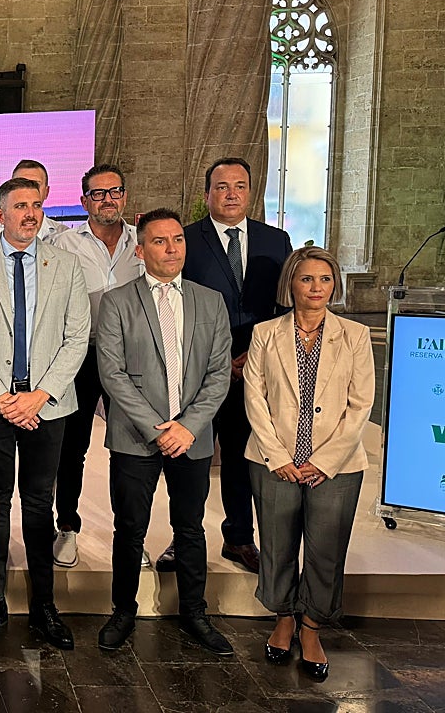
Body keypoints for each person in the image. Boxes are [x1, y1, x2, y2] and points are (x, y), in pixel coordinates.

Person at [0, 177, 90, 651]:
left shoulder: (66, 265)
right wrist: (2, 397)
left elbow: (76, 338)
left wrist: (39, 395)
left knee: (38, 502)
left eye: (36, 205)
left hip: (47, 406)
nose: (30, 213)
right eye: (20, 206)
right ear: (0, 212)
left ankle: (44, 604)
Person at [95, 209, 233, 655]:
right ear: (140, 250)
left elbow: (219, 375)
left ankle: (195, 613)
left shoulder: (210, 301)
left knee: (190, 528)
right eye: (159, 241)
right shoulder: (117, 302)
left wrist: (188, 427)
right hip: (137, 437)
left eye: (177, 239)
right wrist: (159, 430)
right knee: (129, 528)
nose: (171, 248)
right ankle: (123, 611)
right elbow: (112, 375)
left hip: (191, 439)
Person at [243, 246, 374, 681]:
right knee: (278, 547)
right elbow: (254, 397)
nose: (316, 288)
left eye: (324, 279)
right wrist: (278, 456)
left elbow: (361, 405)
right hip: (273, 459)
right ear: (291, 284)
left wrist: (325, 460)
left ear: (334, 285)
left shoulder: (354, 335)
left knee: (324, 550)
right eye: (306, 279)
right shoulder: (265, 333)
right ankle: (283, 620)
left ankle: (312, 626)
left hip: (335, 466)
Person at [159, 157, 292, 575]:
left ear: (251, 192)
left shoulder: (276, 240)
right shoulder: (187, 240)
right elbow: (175, 302)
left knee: (241, 456)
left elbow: (282, 307)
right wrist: (219, 360)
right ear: (207, 194)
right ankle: (184, 540)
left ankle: (238, 538)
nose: (231, 193)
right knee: (191, 459)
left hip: (256, 366)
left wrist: (253, 355)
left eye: (239, 185)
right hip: (196, 367)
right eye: (221, 186)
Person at [51, 163, 144, 568]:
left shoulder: (143, 244)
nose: (108, 199)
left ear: (124, 195)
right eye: (99, 193)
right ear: (84, 200)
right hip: (81, 355)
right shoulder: (65, 245)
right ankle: (67, 527)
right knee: (72, 449)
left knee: (131, 450)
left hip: (132, 357)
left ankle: (131, 536)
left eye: (115, 191)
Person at [0, 159, 70, 243]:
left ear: (46, 192)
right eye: (20, 184)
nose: (28, 190)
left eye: (35, 184)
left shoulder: (65, 237)